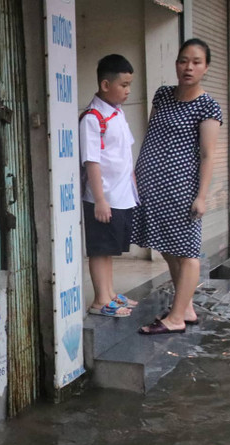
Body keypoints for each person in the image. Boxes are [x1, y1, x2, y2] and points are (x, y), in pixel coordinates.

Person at [131, 38, 222, 334]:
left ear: (206, 67)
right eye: (184, 60)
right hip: (152, 185)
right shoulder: (163, 94)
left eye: (196, 62)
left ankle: (176, 318)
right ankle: (187, 307)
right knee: (168, 247)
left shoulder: (208, 106)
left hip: (182, 188)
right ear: (176, 64)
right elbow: (152, 134)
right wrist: (137, 171)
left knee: (188, 252)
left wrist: (202, 196)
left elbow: (208, 154)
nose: (188, 67)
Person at [80, 54, 140, 318]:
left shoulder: (117, 113)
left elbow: (124, 155)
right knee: (100, 249)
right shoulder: (93, 118)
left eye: (129, 85)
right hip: (103, 198)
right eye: (124, 85)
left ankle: (110, 293)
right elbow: (92, 161)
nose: (128, 91)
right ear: (106, 85)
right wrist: (100, 200)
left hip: (121, 195)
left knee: (110, 250)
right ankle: (100, 301)